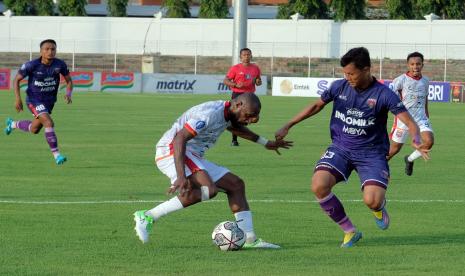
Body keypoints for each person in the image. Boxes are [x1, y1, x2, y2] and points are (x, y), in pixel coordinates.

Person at [275, 47, 429, 248]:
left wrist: (416, 137)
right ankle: (350, 230)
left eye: (351, 73)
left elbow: (409, 122)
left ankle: (378, 207)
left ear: (366, 69)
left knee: (372, 200)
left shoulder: (384, 94)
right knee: (318, 185)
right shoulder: (339, 87)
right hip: (341, 148)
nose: (347, 77)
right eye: (345, 73)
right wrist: (289, 124)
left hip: (372, 153)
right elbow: (316, 106)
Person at [133, 93, 292, 249]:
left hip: (191, 154)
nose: (250, 121)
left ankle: (249, 239)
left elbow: (236, 128)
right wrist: (181, 176)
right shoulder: (209, 115)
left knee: (235, 185)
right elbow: (179, 139)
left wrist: (265, 143)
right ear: (238, 105)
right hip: (172, 151)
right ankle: (148, 216)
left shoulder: (229, 113)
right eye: (248, 116)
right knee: (209, 190)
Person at [4, 39, 73, 165]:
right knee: (48, 122)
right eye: (47, 49)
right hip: (34, 100)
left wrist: (68, 94)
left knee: (34, 129)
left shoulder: (60, 65)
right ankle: (57, 155)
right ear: (41, 51)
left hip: (49, 102)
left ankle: (13, 124)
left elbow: (69, 80)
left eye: (53, 49)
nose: (50, 51)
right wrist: (17, 98)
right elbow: (16, 80)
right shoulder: (32, 65)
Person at [387, 52, 434, 176]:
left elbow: (425, 98)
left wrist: (426, 114)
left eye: (418, 64)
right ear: (408, 65)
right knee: (393, 150)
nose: (415, 66)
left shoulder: (425, 81)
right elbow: (388, 96)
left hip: (420, 119)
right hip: (403, 120)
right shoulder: (400, 80)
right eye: (412, 64)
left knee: (429, 141)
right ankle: (378, 168)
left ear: (422, 65)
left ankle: (409, 159)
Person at [223, 47, 262, 146]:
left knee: (255, 117)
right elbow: (225, 81)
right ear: (240, 57)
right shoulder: (235, 68)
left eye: (248, 54)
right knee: (235, 118)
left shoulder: (255, 68)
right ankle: (234, 140)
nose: (246, 57)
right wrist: (235, 85)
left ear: (251, 56)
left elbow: (258, 81)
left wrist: (258, 81)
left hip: (250, 96)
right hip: (238, 95)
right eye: (244, 55)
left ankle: (244, 124)